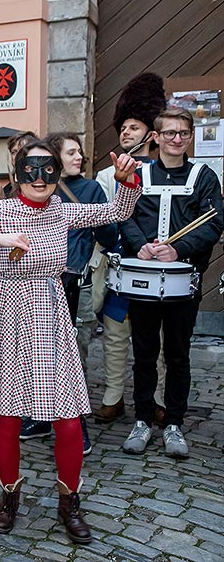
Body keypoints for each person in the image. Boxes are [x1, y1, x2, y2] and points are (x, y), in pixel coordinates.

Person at [0, 140, 141, 544]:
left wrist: (126, 181)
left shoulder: (63, 211)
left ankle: (69, 501)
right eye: (30, 170)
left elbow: (117, 212)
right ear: (17, 175)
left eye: (48, 169)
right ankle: (9, 495)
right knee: (8, 413)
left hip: (48, 311)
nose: (40, 178)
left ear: (57, 172)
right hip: (4, 311)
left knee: (67, 417)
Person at [120, 107, 224, 459]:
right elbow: (125, 214)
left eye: (183, 133)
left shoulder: (204, 176)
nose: (176, 139)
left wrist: (177, 249)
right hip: (144, 280)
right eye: (169, 133)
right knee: (144, 354)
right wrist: (141, 246)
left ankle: (175, 422)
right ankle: (143, 419)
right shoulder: (140, 173)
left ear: (191, 136)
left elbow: (213, 224)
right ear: (156, 137)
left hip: (183, 281)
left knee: (178, 355)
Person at [92, 72, 168, 425]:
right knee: (115, 336)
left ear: (150, 134)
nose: (126, 133)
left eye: (134, 127)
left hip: (155, 266)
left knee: (157, 341)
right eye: (123, 128)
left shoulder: (164, 173)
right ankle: (113, 397)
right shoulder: (106, 177)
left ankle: (157, 398)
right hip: (119, 266)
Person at [46, 132, 120, 455]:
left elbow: (109, 231)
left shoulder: (90, 189)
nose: (79, 158)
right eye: (71, 152)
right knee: (42, 354)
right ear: (53, 157)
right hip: (44, 283)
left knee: (75, 355)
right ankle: (41, 415)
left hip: (79, 282)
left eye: (80, 153)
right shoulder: (42, 189)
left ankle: (76, 423)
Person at [3, 131, 38, 198]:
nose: (18, 155)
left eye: (23, 150)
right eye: (14, 152)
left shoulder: (45, 185)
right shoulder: (7, 191)